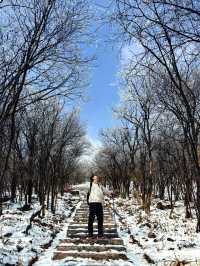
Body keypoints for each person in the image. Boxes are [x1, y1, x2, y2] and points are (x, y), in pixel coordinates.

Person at [87, 174, 114, 239]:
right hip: (92, 204)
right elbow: (80, 186)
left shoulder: (100, 185)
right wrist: (71, 187)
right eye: (95, 178)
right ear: (93, 178)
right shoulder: (89, 185)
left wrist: (111, 193)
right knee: (91, 220)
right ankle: (90, 234)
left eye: (97, 178)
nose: (97, 178)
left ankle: (100, 234)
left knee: (100, 219)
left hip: (99, 204)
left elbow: (106, 191)